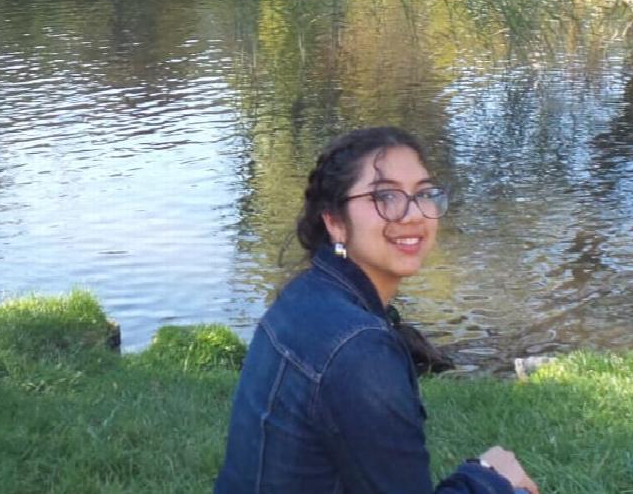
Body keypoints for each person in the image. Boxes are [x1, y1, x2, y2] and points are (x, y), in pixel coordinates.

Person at [215, 126, 539, 494]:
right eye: (385, 196)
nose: (413, 214)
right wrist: (489, 478)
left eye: (423, 194)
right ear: (335, 221)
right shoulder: (360, 350)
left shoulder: (304, 295)